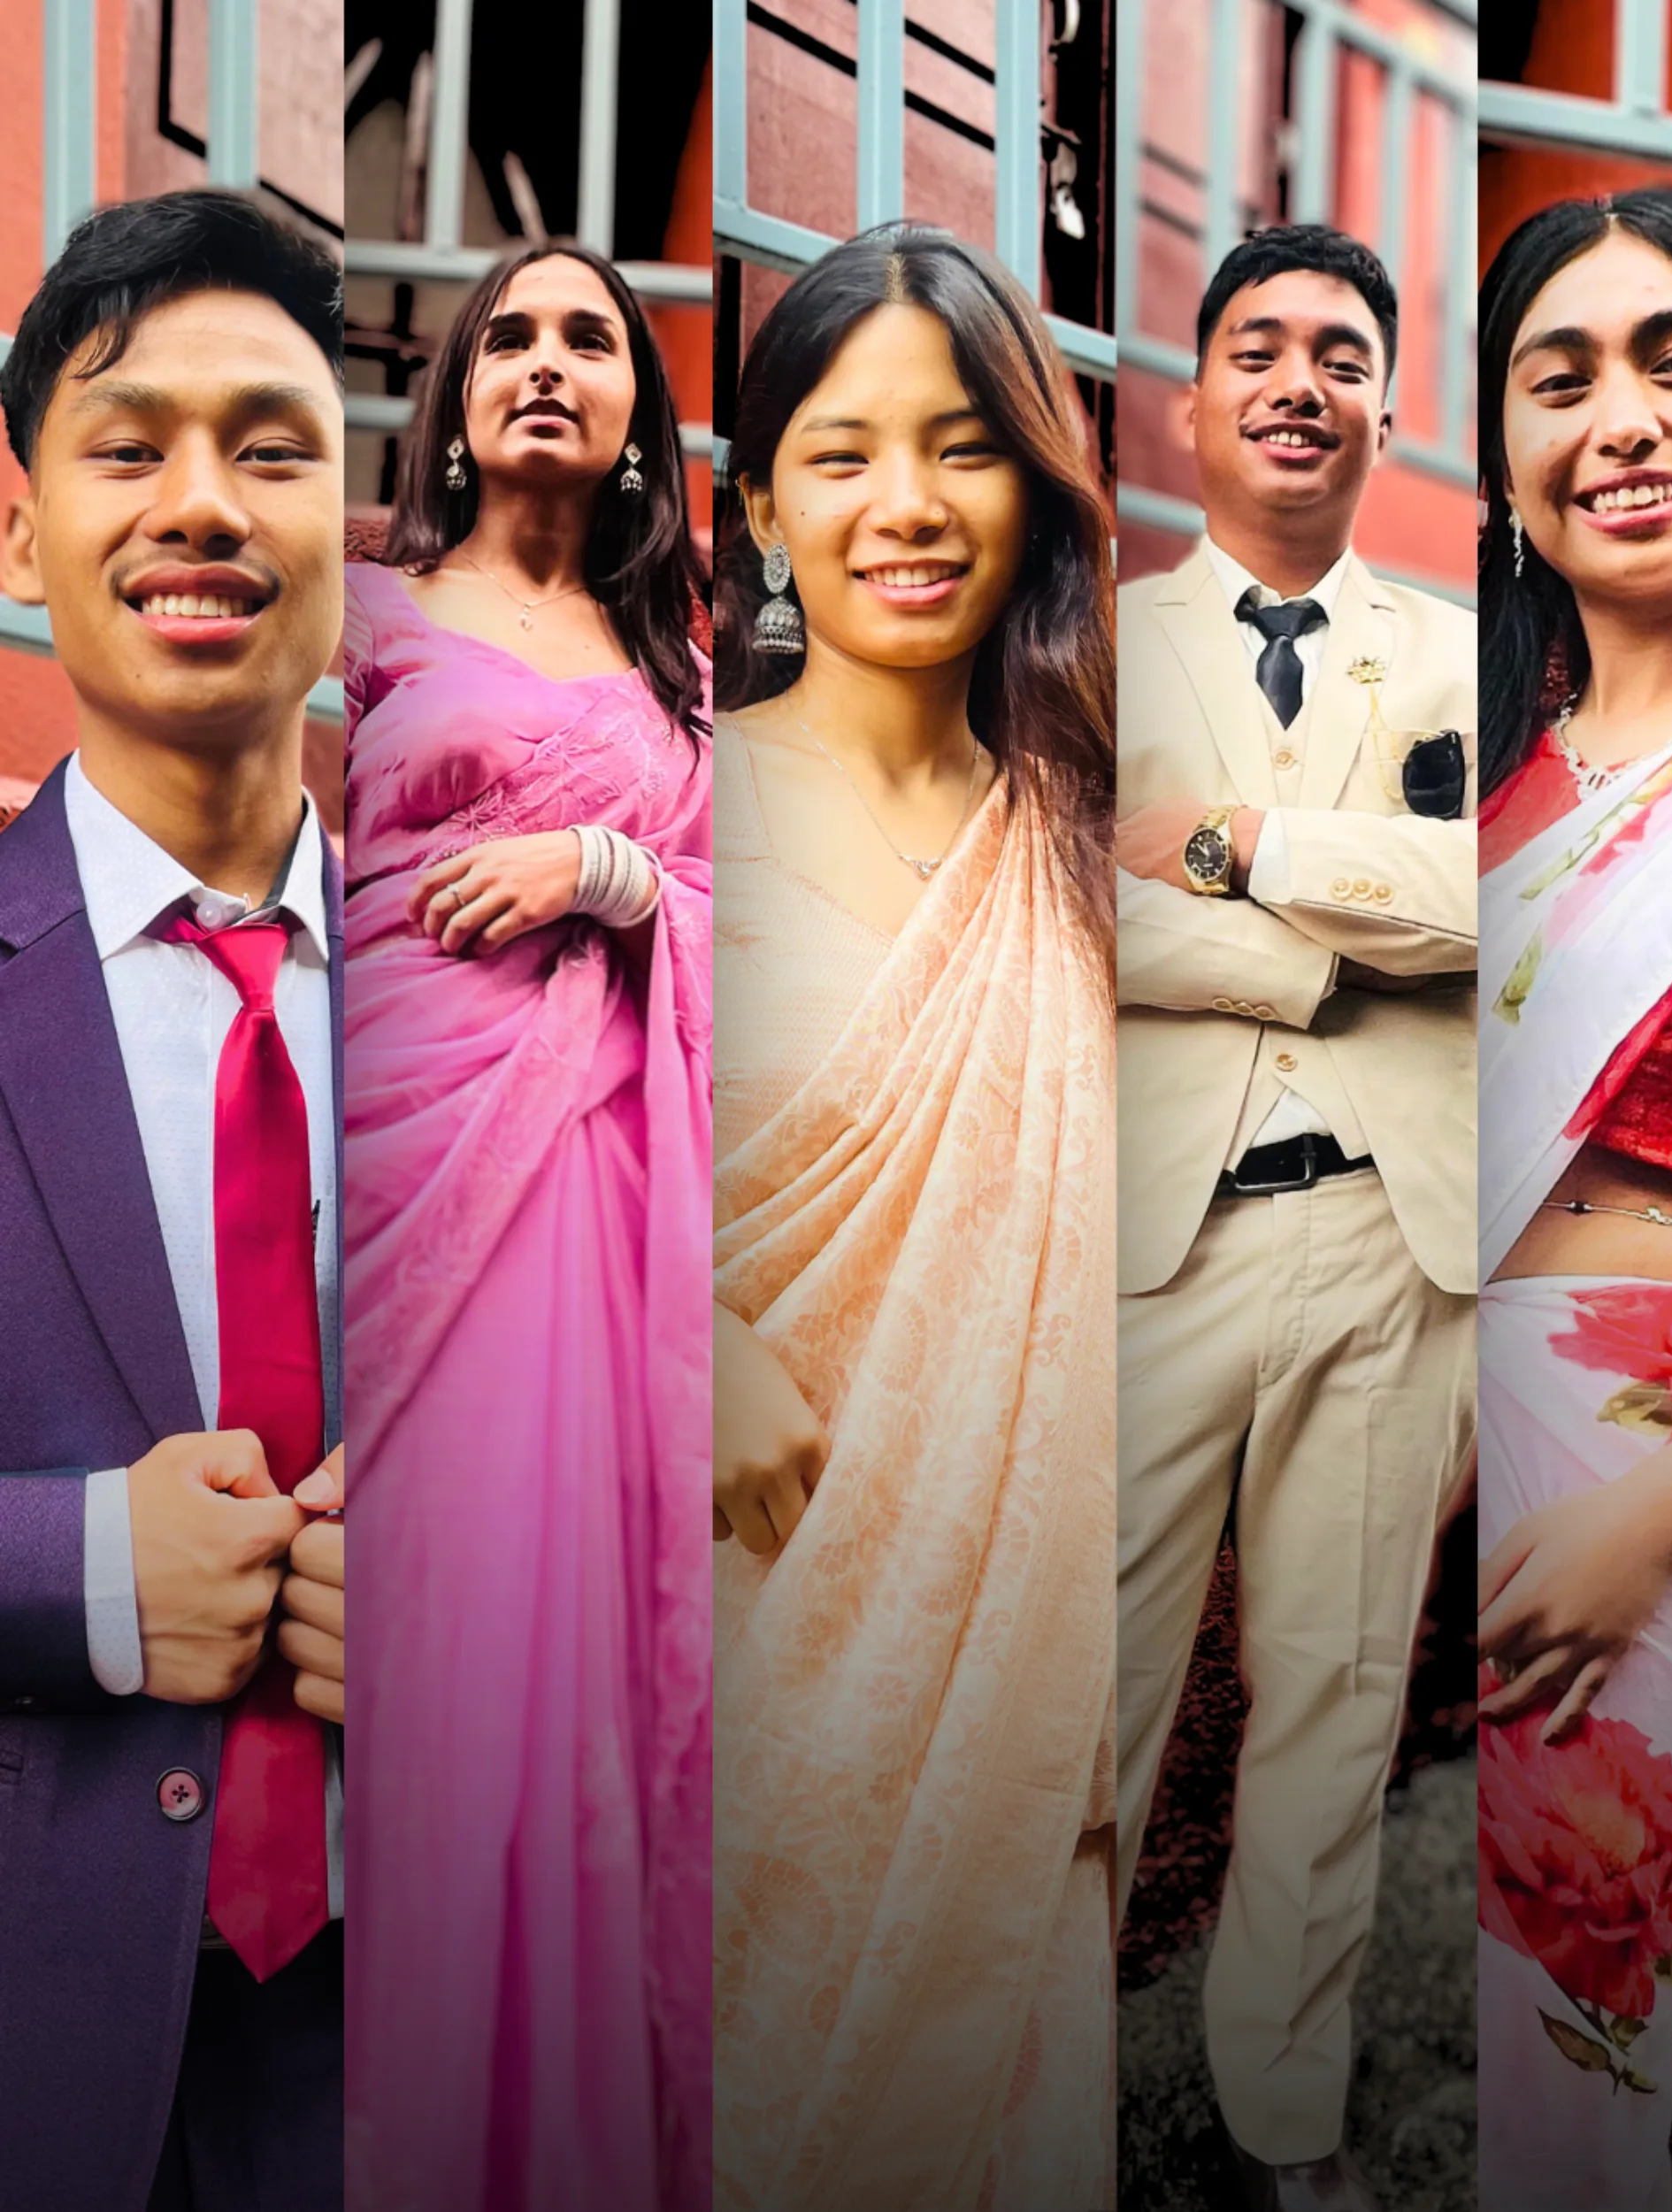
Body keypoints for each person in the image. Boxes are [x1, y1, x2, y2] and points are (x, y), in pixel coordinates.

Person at [710, 223, 1116, 2211]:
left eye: (959, 446)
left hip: (1010, 1669)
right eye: (844, 451)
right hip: (728, 1639)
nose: (906, 505)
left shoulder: (1070, 845)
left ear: (1029, 484)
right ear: (762, 502)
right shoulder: (664, 812)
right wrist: (667, 1332)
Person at [341, 241, 712, 2211]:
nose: (548, 363)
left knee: (562, 1673)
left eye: (590, 336)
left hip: (602, 1190)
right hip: (391, 1174)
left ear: (641, 406)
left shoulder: (687, 673)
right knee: (409, 1661)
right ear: (457, 390)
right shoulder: (364, 606)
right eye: (510, 334)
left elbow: (759, 932)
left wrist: (617, 873)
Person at [1115, 223, 1477, 2211]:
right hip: (1140, 1247)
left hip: (1383, 1243)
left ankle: (1282, 2121)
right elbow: (1063, 899)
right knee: (1073, 1706)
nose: (1297, 380)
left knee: (1333, 1714)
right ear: (1192, 399)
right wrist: (1304, 965)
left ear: (1384, 405)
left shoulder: (1455, 654)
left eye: (1339, 352)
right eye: (1256, 346)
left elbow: (1485, 892)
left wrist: (1244, 846)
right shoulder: (1092, 640)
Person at [0, 190, 346, 2210]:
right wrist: (94, 1572)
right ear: (26, 528)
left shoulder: (506, 989)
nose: (201, 503)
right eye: (129, 446)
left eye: (269, 445)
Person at [1475, 185, 1672, 2212]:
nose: (1621, 422)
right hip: (1461, 1474)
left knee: (1614, 2056)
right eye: (1557, 377)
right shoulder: (1467, 783)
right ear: (1502, 462)